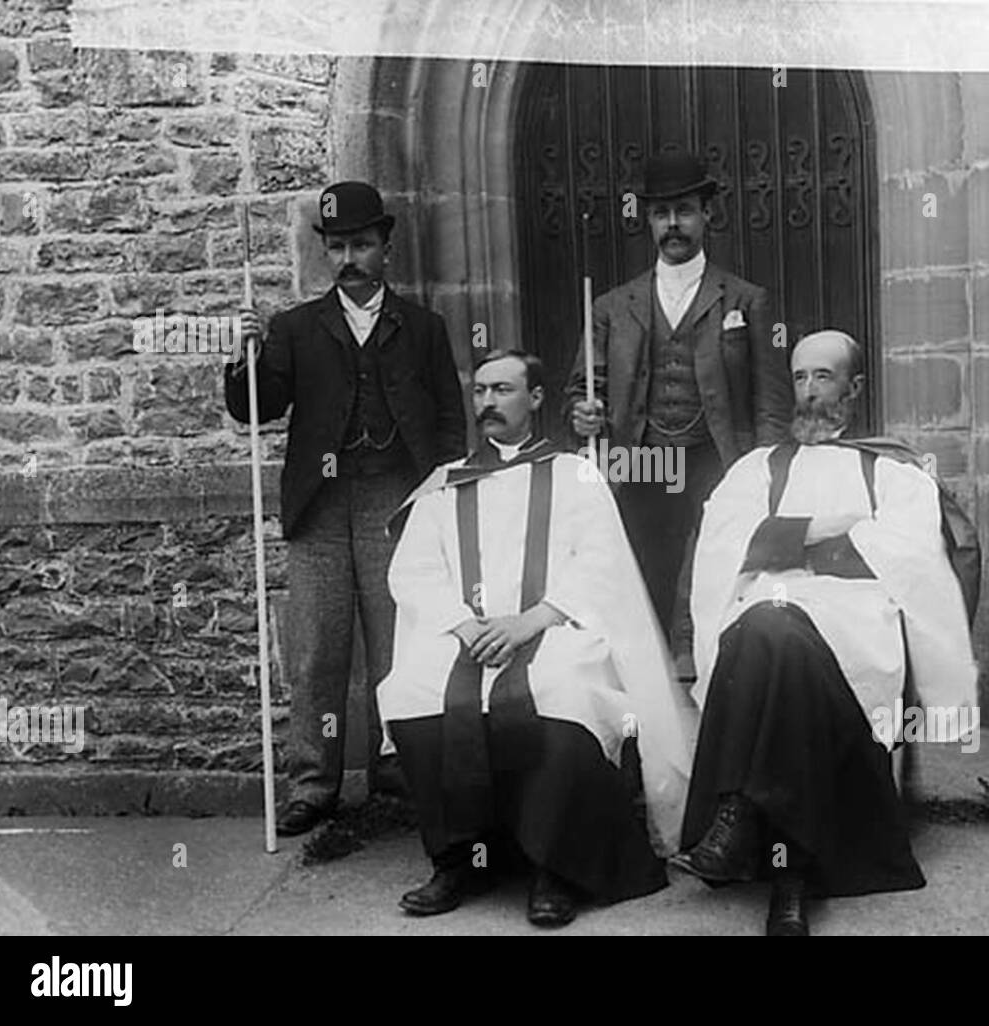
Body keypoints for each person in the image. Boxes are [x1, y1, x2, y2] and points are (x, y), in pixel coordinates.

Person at [672, 330, 979, 936]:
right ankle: (791, 882)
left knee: (770, 633)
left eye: (825, 377)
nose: (810, 392)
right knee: (769, 627)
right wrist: (831, 532)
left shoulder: (894, 472)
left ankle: (738, 818)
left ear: (854, 388)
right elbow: (727, 545)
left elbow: (910, 558)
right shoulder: (757, 467)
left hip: (858, 619)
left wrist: (789, 540)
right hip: (768, 610)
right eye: (802, 378)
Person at [378, 350, 695, 928]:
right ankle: (457, 859)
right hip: (468, 636)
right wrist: (467, 625)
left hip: (555, 627)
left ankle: (558, 867)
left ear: (538, 398)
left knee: (566, 690)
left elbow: (601, 565)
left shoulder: (576, 473)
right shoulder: (447, 483)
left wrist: (530, 621)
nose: (488, 403)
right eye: (480, 392)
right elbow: (415, 571)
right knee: (410, 690)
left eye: (502, 390)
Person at [226, 181, 467, 836]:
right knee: (318, 650)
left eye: (362, 244)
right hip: (321, 506)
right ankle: (313, 783)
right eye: (337, 247)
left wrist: (442, 493)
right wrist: (243, 356)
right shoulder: (296, 328)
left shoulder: (423, 327)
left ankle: (402, 767)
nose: (349, 259)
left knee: (402, 642)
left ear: (385, 247)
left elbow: (450, 420)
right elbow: (257, 407)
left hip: (398, 497)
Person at [564, 151, 792, 650]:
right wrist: (586, 413)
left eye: (684, 210)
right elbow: (582, 391)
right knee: (645, 581)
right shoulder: (610, 307)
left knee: (728, 578)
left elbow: (773, 399)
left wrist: (767, 471)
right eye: (661, 213)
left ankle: (722, 693)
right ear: (647, 220)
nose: (673, 224)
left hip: (719, 456)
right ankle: (649, 706)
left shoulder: (746, 300)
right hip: (646, 458)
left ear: (707, 214)